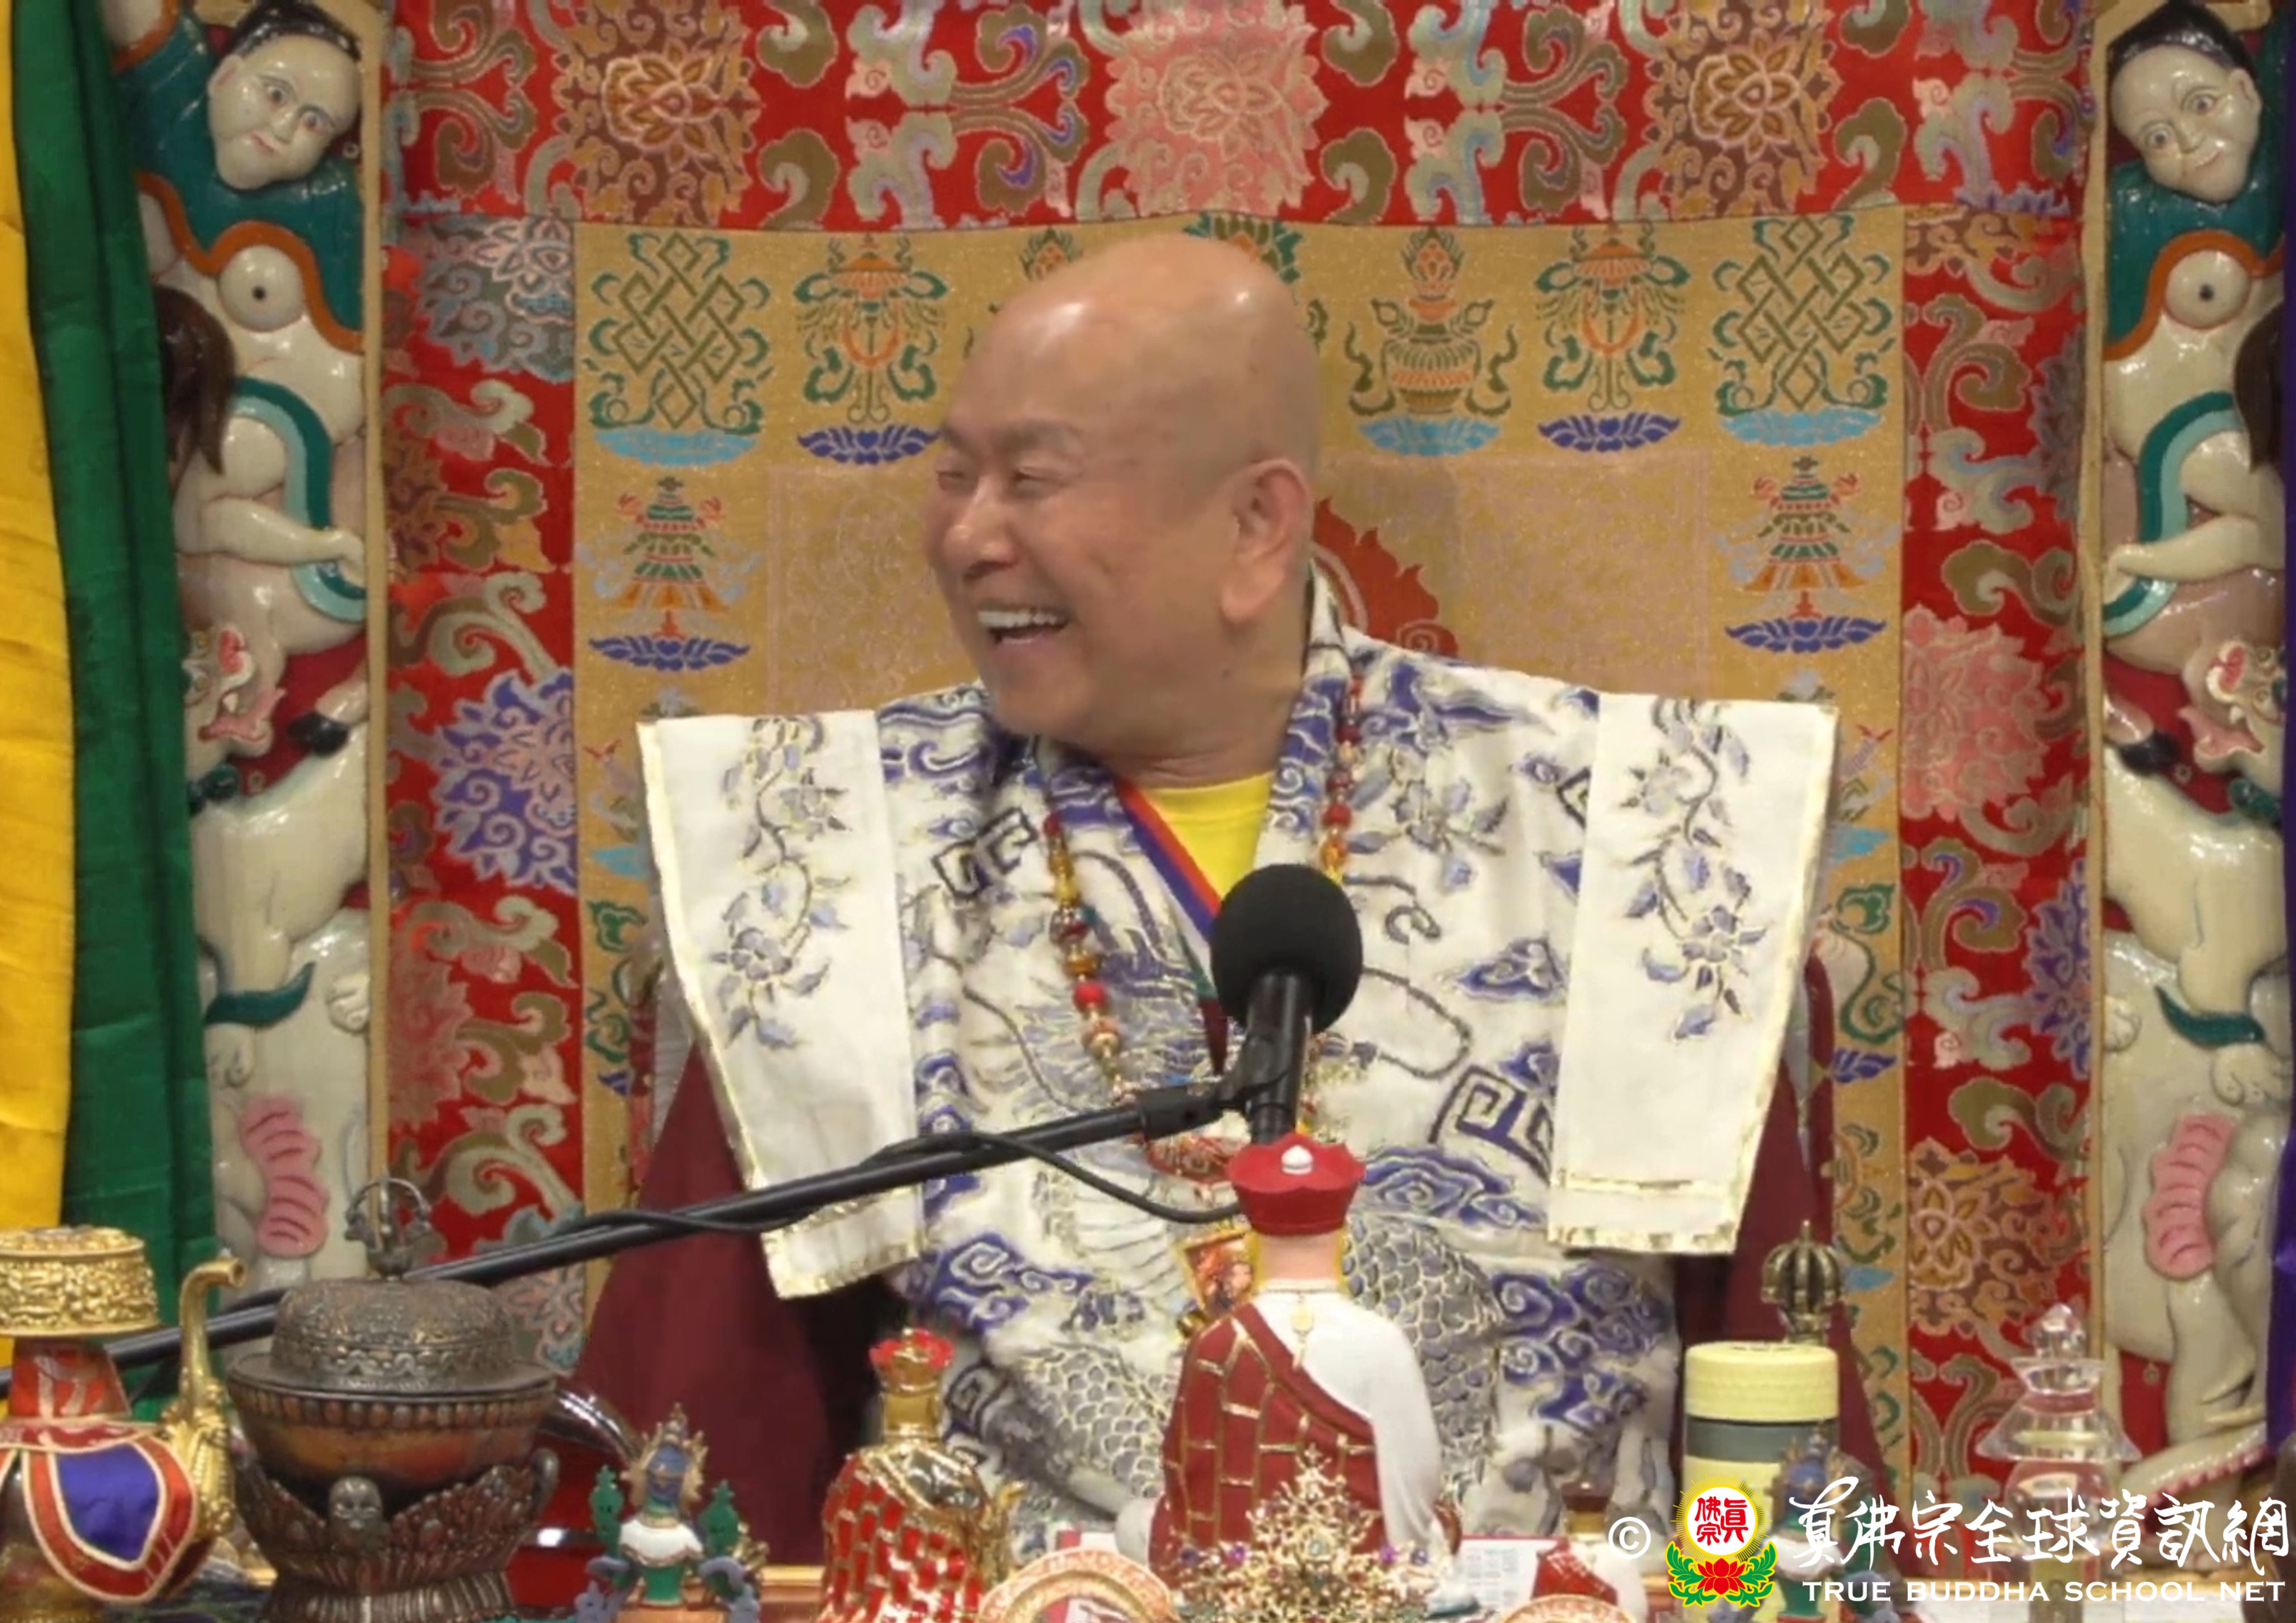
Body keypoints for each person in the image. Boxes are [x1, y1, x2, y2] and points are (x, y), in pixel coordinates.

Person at [577, 234, 1883, 1561]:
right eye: (954, 476)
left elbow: (1781, 1425)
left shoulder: (1630, 830)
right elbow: (702, 1454)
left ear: (1256, 526)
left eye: (1032, 479)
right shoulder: (832, 859)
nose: (968, 537)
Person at [1137, 1133, 1453, 1580]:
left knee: (1135, 1524)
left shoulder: (1216, 1342)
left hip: (1240, 1582)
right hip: (1358, 1579)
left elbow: (1186, 1478)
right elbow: (1415, 1482)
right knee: (1441, 1527)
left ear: (1253, 1237)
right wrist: (1409, 1563)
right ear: (1340, 1234)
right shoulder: (1381, 1341)